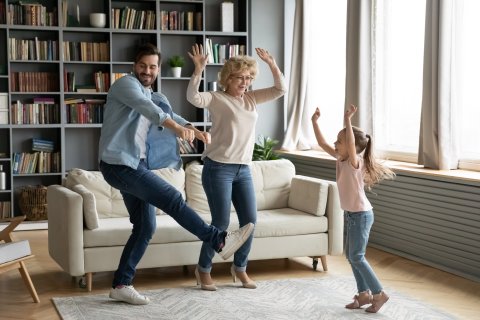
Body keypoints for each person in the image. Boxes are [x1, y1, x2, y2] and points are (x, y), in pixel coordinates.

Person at [98, 43, 254, 305]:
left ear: (158, 69)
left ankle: (121, 284)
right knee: (171, 197)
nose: (148, 70)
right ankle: (219, 241)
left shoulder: (152, 93)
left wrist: (193, 128)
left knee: (146, 226)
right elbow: (154, 113)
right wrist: (176, 129)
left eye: (153, 66)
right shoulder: (125, 85)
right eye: (143, 66)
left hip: (137, 165)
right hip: (119, 165)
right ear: (134, 67)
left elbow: (171, 113)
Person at [186, 44, 287, 290]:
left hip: (243, 169)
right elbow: (193, 98)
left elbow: (280, 89)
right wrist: (198, 69)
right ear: (228, 78)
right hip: (218, 168)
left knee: (249, 222)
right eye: (240, 77)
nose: (245, 82)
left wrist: (272, 64)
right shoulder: (217, 98)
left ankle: (239, 268)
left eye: (249, 77)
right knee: (220, 223)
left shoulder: (251, 98)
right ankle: (203, 270)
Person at [311, 104, 395, 313]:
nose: (335, 143)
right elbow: (322, 142)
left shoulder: (355, 163)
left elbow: (349, 140)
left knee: (356, 256)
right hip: (352, 215)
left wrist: (347, 120)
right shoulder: (341, 159)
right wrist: (314, 122)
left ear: (352, 147)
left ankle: (378, 294)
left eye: (339, 141)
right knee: (352, 256)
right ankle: (364, 294)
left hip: (361, 215)